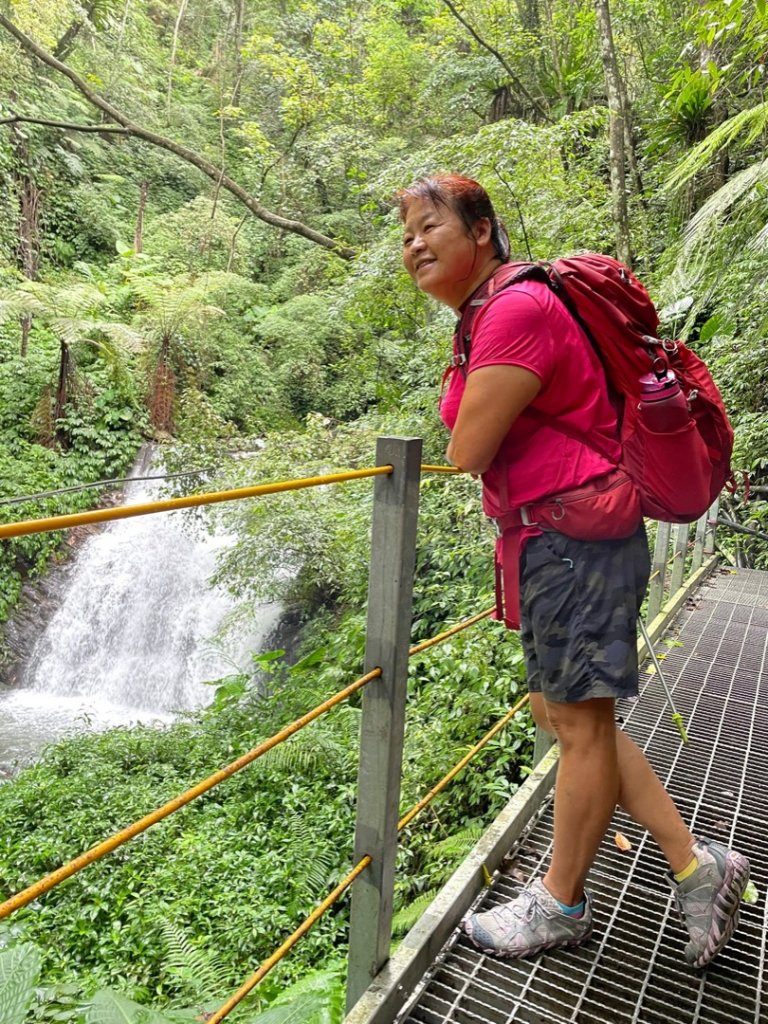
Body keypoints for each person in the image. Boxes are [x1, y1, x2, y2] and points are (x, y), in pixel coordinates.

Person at [399, 173, 750, 966]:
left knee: (581, 724)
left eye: (430, 227)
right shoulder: (493, 310)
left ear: (481, 230)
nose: (414, 245)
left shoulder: (516, 311)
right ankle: (700, 870)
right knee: (563, 716)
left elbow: (467, 451)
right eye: (406, 235)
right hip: (557, 539)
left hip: (574, 543)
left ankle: (559, 905)